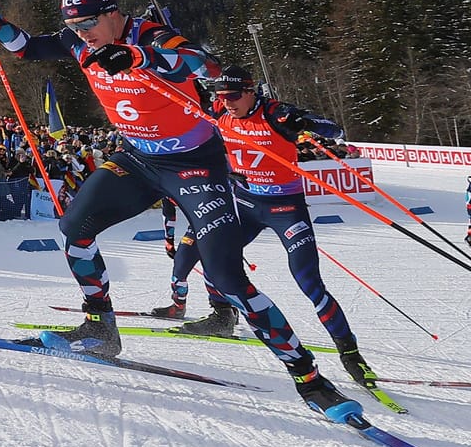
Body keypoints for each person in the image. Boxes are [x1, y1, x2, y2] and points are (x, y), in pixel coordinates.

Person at [0, 0, 357, 418]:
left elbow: (202, 64)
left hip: (194, 165)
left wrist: (136, 55)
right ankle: (100, 326)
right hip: (139, 160)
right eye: (74, 25)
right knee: (74, 229)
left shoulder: (149, 36)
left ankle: (309, 378)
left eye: (90, 22)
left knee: (226, 277)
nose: (82, 33)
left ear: (113, 14)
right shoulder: (78, 44)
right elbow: (26, 48)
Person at [155, 66, 383, 390]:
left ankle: (350, 353)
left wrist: (302, 123)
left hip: (285, 210)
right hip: (246, 206)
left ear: (251, 92)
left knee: (309, 282)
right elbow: (181, 90)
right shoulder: (219, 109)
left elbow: (333, 129)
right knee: (213, 257)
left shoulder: (276, 114)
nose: (228, 102)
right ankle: (222, 315)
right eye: (222, 96)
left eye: (234, 96)